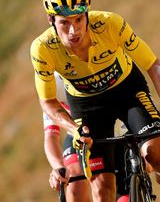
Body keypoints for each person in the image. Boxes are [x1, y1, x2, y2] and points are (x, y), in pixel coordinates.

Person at [30, 0, 160, 202]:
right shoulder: (42, 49)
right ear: (50, 20)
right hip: (87, 105)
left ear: (87, 14)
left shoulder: (110, 24)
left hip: (126, 91)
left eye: (79, 20)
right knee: (102, 191)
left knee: (157, 152)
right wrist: (73, 129)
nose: (73, 31)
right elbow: (48, 102)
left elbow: (153, 65)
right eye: (64, 22)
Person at [44, 73, 129, 201]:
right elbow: (50, 136)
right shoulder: (54, 83)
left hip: (119, 130)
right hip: (81, 136)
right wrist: (58, 166)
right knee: (74, 188)